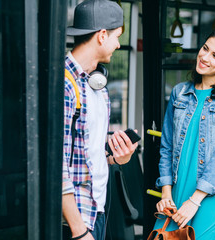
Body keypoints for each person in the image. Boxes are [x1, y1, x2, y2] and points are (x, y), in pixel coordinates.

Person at [153, 28, 215, 239]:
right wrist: (166, 192)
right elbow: (167, 147)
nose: (204, 57)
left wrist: (195, 200)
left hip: (211, 195)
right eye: (205, 48)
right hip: (177, 189)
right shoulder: (179, 92)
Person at [62, 1, 138, 240]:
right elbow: (57, 165)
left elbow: (86, 153)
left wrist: (116, 157)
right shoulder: (64, 86)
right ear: (102, 35)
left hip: (96, 211)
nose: (118, 44)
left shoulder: (97, 86)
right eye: (117, 36)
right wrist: (79, 231)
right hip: (74, 222)